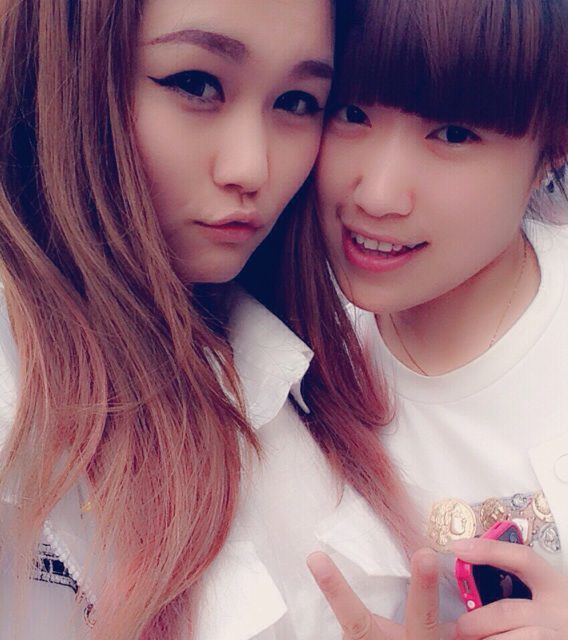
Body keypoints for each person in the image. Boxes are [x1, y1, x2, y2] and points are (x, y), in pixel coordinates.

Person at [0, 1, 421, 638]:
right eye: (195, 84)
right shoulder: (21, 416)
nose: (252, 168)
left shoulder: (315, 353)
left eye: (298, 102)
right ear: (62, 74)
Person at [302, 0, 568, 637]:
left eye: (454, 134)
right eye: (351, 113)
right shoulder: (289, 363)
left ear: (556, 145)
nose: (378, 194)